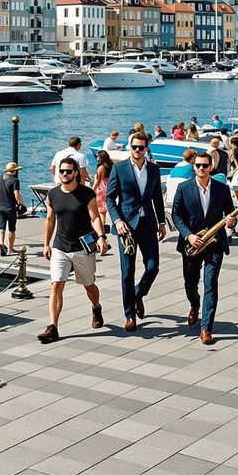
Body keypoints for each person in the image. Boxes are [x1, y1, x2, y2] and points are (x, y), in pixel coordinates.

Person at [39, 156, 109, 343]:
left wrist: (101, 237)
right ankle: (53, 327)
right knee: (56, 285)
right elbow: (50, 220)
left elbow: (95, 217)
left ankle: (96, 307)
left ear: (76, 173)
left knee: (89, 286)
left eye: (68, 171)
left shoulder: (86, 194)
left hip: (82, 248)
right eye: (61, 171)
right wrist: (46, 244)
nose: (64, 174)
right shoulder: (52, 194)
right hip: (60, 247)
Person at [171, 152, 236, 345]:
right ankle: (194, 304)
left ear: (211, 167)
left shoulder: (222, 189)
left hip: (214, 243)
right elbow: (176, 216)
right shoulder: (183, 188)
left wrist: (232, 222)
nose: (201, 168)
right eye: (198, 165)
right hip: (192, 243)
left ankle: (206, 328)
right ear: (194, 166)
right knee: (190, 283)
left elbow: (231, 214)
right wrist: (189, 236)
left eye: (205, 166)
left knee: (211, 283)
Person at [105, 134, 166, 331]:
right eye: (134, 147)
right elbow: (109, 198)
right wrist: (117, 220)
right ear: (130, 148)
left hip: (148, 224)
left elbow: (157, 198)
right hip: (127, 227)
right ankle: (129, 315)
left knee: (153, 267)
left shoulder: (154, 169)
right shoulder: (119, 168)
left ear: (146, 148)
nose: (137, 150)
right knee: (127, 273)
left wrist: (163, 222)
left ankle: (138, 293)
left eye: (141, 147)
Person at [0, 162, 25, 256]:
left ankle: (1, 244)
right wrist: (22, 204)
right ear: (14, 171)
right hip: (10, 208)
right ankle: (11, 249)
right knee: (12, 229)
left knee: (1, 228)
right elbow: (17, 194)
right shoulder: (15, 180)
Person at [92, 150, 114, 218]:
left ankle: (102, 226)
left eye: (98, 156)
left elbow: (97, 181)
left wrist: (92, 189)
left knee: (102, 211)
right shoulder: (111, 165)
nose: (97, 158)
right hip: (109, 186)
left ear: (101, 158)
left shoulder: (100, 168)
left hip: (101, 188)